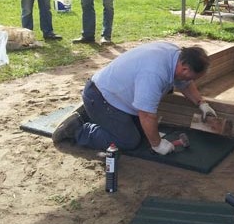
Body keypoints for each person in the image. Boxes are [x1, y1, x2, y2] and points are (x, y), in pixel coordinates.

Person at [52, 42, 218, 155]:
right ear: (185, 68)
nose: (193, 82)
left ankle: (91, 112)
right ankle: (79, 130)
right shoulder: (154, 74)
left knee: (144, 131)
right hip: (102, 97)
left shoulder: (177, 56)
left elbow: (185, 83)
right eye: (194, 77)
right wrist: (157, 145)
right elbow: (146, 114)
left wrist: (201, 103)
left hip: (112, 94)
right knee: (128, 141)